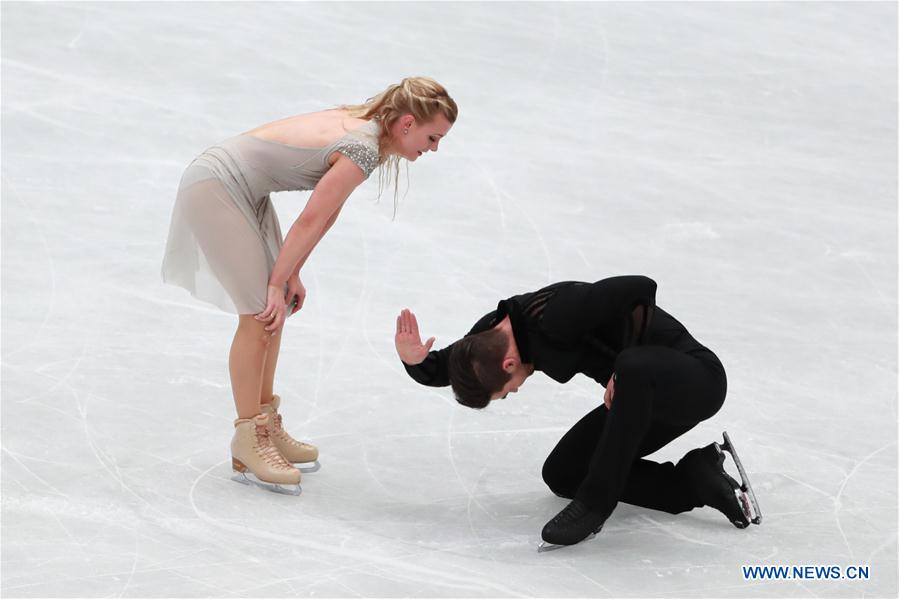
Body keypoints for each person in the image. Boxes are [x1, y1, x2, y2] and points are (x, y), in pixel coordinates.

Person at [162, 77, 458, 494]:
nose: (433, 148)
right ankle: (249, 439)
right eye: (433, 137)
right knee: (259, 315)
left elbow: (327, 209)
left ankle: (264, 419)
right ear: (407, 124)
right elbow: (310, 219)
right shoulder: (363, 146)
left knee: (273, 312)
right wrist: (276, 282)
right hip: (218, 187)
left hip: (242, 192)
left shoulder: (369, 125)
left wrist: (291, 273)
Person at [394, 275, 760, 547]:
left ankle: (594, 506)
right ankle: (695, 481)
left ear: (508, 364)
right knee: (564, 473)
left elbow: (639, 287)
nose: (514, 392)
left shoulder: (559, 313)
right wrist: (417, 362)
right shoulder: (487, 339)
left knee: (632, 367)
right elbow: (453, 367)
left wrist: (621, 367)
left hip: (696, 382)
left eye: (505, 392)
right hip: (639, 401)